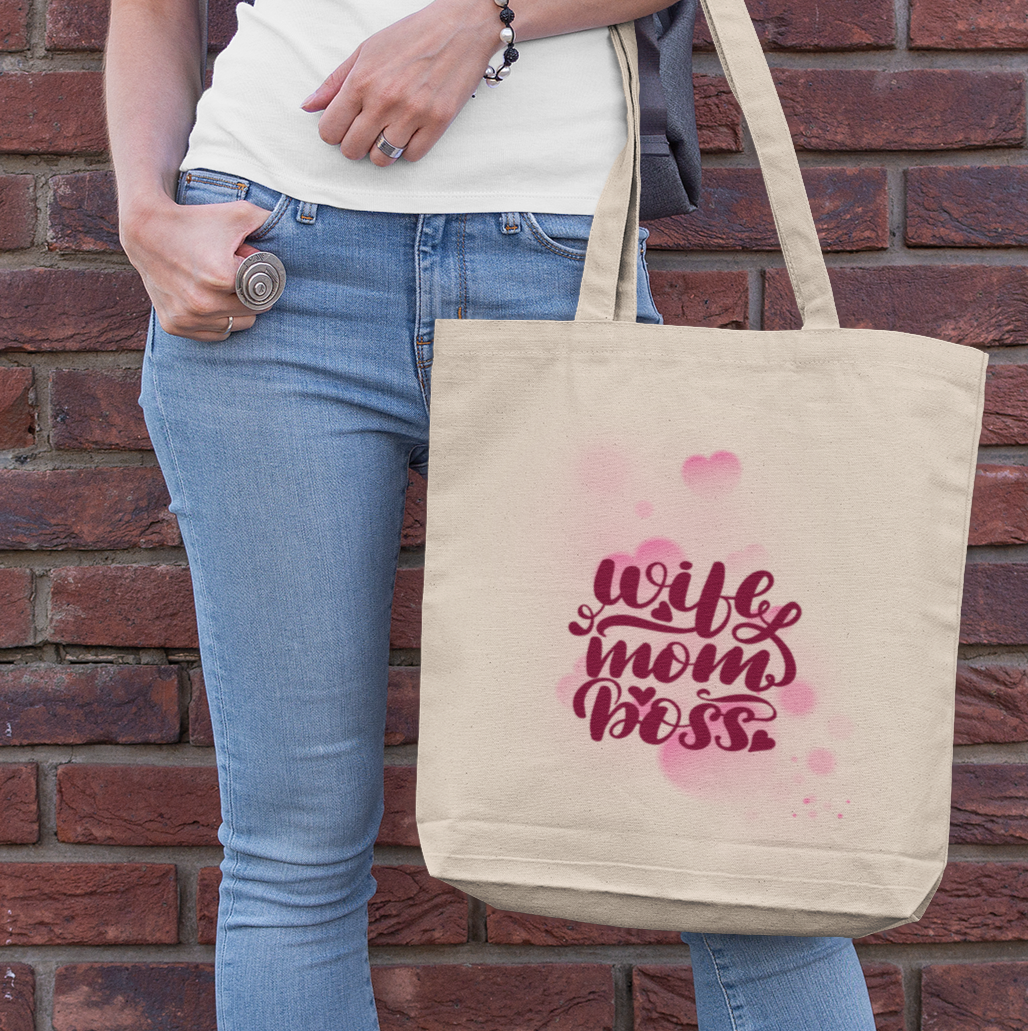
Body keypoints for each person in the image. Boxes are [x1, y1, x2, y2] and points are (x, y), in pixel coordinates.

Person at [104, 2, 879, 1029]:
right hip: (268, 276)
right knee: (291, 853)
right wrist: (141, 212)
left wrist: (491, 18)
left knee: (740, 850)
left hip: (561, 271)